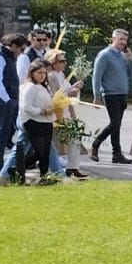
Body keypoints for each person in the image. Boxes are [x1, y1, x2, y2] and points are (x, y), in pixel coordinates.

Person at [90, 29, 132, 164]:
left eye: (125, 40)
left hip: (122, 94)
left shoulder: (123, 56)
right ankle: (96, 144)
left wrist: (130, 60)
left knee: (117, 125)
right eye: (120, 39)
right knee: (115, 123)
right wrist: (96, 95)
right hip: (110, 94)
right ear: (113, 38)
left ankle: (117, 154)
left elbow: (131, 75)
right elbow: (96, 76)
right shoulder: (104, 55)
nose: (123, 42)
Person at [15, 57, 62, 185]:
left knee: (44, 152)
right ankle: (39, 175)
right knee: (41, 152)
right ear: (32, 73)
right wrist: (43, 111)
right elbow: (26, 107)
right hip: (34, 122)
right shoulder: (29, 87)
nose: (42, 76)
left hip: (46, 122)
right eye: (39, 73)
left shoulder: (42, 87)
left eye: (44, 73)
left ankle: (38, 174)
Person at [43, 49, 87, 179]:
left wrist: (75, 88)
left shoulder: (61, 74)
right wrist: (69, 92)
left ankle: (73, 167)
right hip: (58, 113)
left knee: (74, 139)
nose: (64, 63)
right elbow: (54, 95)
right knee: (56, 142)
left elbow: (66, 91)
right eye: (61, 61)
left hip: (67, 111)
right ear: (53, 62)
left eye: (64, 61)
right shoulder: (50, 76)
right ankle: (53, 168)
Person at [0, 33, 25, 171]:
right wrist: (8, 100)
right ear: (13, 46)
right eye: (20, 49)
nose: (21, 53)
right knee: (2, 132)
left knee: (8, 132)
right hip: (5, 100)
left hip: (10, 99)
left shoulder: (7, 57)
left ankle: (12, 160)